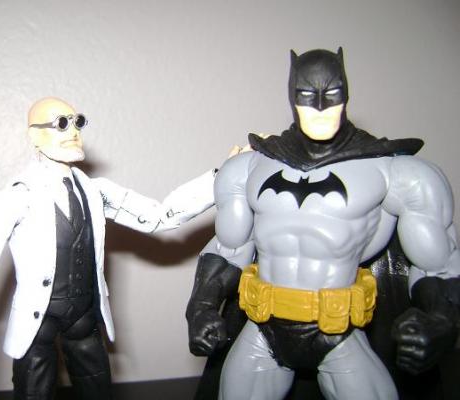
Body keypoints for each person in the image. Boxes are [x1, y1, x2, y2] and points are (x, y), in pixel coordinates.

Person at [186, 48, 460, 400]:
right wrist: (201, 307)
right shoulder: (248, 169)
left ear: (346, 94)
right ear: (292, 95)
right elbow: (229, 247)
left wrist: (441, 322)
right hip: (264, 328)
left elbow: (437, 264)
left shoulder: (396, 173)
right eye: (306, 94)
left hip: (339, 332)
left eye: (331, 94)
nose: (319, 106)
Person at [0, 97, 216, 400]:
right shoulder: (16, 197)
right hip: (36, 324)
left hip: (84, 318)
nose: (73, 131)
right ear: (34, 135)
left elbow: (159, 216)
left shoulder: (95, 191)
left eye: (77, 122)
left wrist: (220, 179)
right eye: (61, 124)